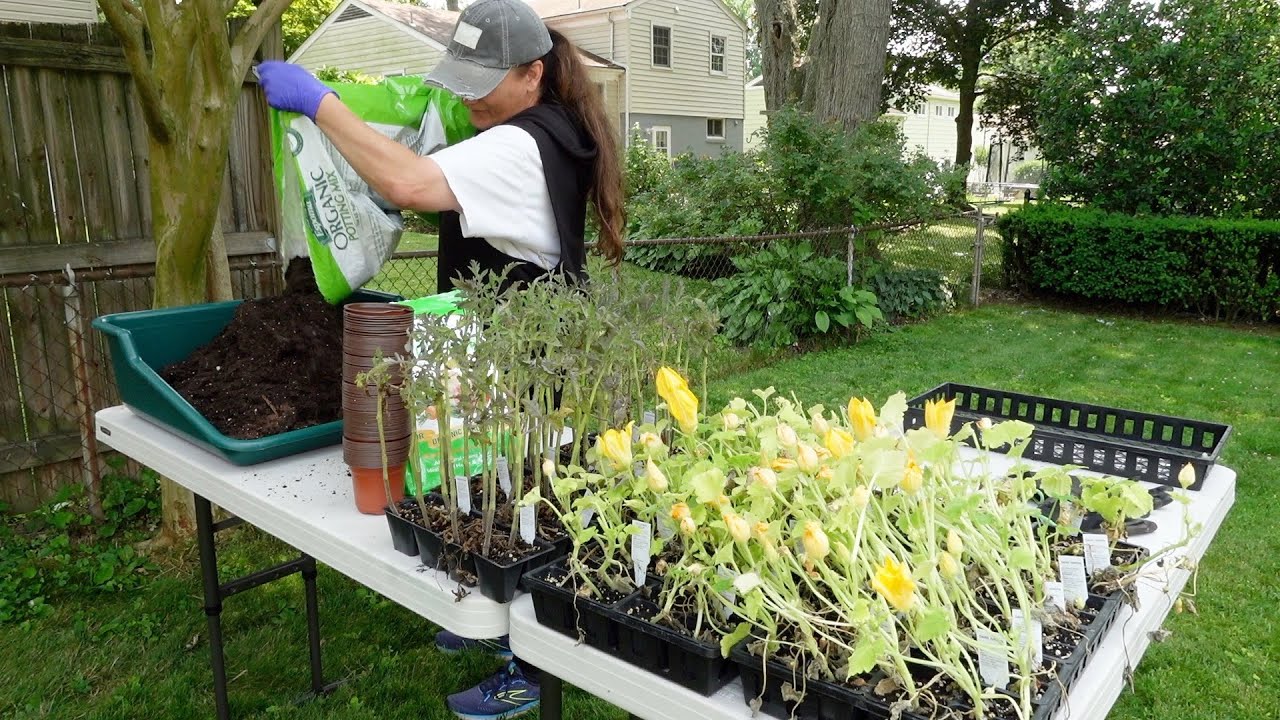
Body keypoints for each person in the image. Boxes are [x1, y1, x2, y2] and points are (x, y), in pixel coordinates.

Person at [257, 0, 624, 717]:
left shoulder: (521, 145)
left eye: (482, 81)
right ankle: (496, 622)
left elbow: (409, 184)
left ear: (533, 74)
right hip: (523, 350)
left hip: (529, 358)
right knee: (501, 490)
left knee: (528, 506)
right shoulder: (539, 128)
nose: (466, 95)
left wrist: (320, 102)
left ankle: (531, 667)